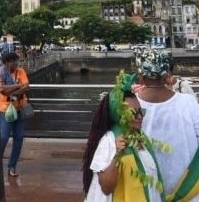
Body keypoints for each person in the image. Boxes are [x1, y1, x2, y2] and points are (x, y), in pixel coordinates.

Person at [82, 71, 165, 201]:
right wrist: (117, 155)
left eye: (141, 111)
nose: (139, 116)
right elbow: (106, 188)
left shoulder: (141, 139)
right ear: (119, 114)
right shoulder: (109, 141)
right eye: (132, 113)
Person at [135, 48, 199, 200]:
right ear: (167, 74)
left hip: (147, 188)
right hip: (186, 189)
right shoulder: (188, 102)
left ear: (140, 76)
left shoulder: (131, 104)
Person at [0, 51, 30, 177]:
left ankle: (12, 166)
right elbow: (0, 90)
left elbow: (26, 87)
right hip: (5, 109)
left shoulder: (21, 71)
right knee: (3, 137)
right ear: (6, 62)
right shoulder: (0, 72)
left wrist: (9, 89)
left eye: (16, 60)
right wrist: (18, 86)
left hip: (20, 108)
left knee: (19, 138)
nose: (15, 63)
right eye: (12, 61)